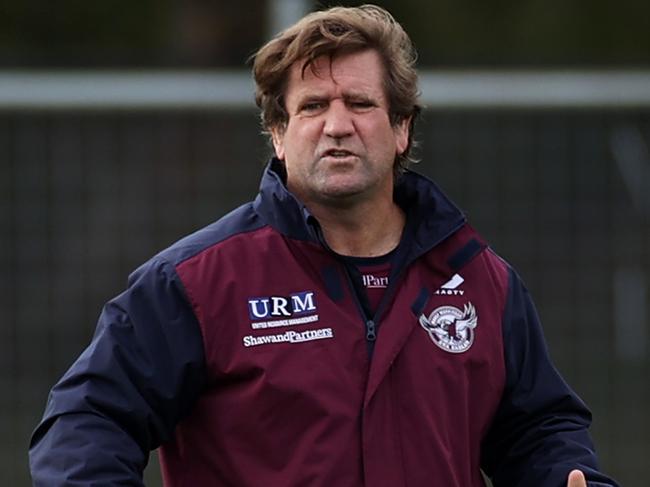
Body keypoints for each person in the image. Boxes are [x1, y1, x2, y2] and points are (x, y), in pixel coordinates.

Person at [29, 5, 618, 487]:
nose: (338, 125)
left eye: (360, 104)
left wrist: (568, 476)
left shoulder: (479, 280)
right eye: (312, 106)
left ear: (402, 128)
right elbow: (88, 418)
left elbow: (539, 428)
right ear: (279, 135)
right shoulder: (196, 283)